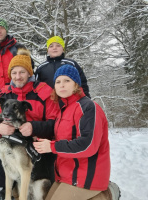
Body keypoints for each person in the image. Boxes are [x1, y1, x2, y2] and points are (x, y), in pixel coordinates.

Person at [33, 64, 120, 200]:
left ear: (76, 85)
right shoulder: (63, 110)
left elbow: (88, 145)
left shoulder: (88, 107)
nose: (62, 85)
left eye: (67, 81)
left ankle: (106, 195)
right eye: (58, 82)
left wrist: (52, 147)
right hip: (66, 174)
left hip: (86, 175)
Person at [0, 48, 59, 199]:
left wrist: (34, 127)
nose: (17, 77)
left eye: (22, 72)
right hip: (13, 137)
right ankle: (7, 187)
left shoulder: (44, 92)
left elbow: (55, 122)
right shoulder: (5, 93)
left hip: (38, 141)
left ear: (29, 73)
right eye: (14, 73)